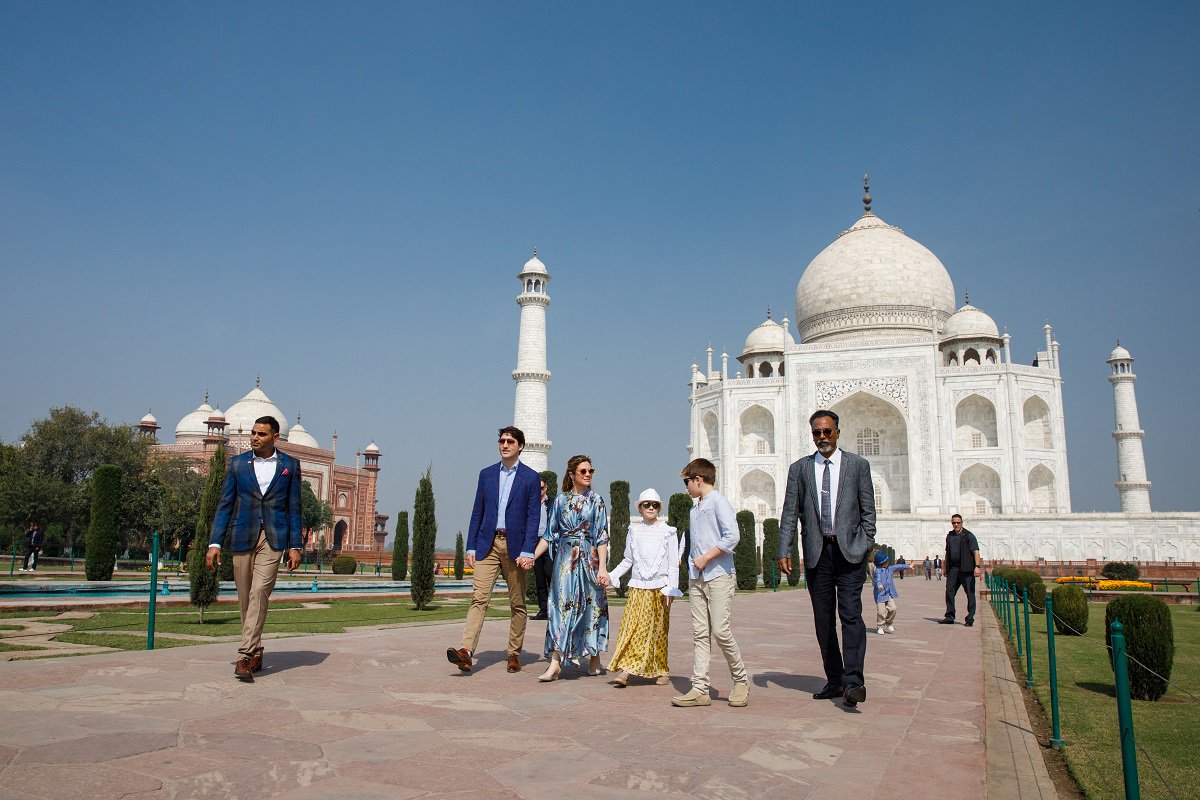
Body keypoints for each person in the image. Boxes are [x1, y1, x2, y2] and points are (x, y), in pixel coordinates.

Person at [777, 409, 876, 708]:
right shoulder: (801, 469)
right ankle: (835, 679)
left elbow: (868, 509)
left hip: (849, 552)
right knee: (823, 621)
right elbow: (790, 511)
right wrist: (784, 548)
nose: (822, 437)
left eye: (827, 432)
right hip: (818, 553)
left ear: (837, 432)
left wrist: (866, 542)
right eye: (817, 433)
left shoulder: (857, 465)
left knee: (850, 616)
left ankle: (854, 680)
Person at [206, 415, 303, 682]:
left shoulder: (290, 466)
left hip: (273, 538)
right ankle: (256, 649)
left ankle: (245, 655)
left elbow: (294, 508)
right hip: (242, 534)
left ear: (275, 437)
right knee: (246, 598)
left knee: (260, 592)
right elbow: (225, 505)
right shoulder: (237, 464)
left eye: (261, 434)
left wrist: (296, 545)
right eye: (253, 433)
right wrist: (215, 542)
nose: (255, 438)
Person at [447, 426, 542, 674]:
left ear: (520, 446)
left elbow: (533, 516)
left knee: (517, 603)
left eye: (510, 441)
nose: (505, 444)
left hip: (516, 547)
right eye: (502, 440)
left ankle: (513, 653)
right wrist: (470, 545)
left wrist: (528, 551)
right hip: (487, 544)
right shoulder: (486, 475)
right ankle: (466, 652)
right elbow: (477, 510)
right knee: (479, 598)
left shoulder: (531, 478)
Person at [672, 458, 750, 709]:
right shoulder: (695, 508)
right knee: (700, 634)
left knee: (720, 630)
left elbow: (733, 536)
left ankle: (740, 681)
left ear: (698, 479)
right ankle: (700, 688)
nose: (686, 487)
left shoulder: (718, 502)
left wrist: (706, 556)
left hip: (719, 575)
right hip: (697, 578)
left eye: (687, 481)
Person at [532, 454, 611, 681]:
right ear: (572, 474)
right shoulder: (559, 501)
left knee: (593, 606)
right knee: (560, 606)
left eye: (590, 471)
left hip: (589, 559)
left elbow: (601, 537)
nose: (588, 475)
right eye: (583, 471)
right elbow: (548, 536)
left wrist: (602, 568)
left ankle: (594, 657)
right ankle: (556, 662)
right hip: (565, 562)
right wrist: (531, 557)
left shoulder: (597, 501)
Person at [607, 488, 682, 688]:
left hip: (661, 588)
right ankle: (627, 670)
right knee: (634, 628)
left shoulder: (669, 532)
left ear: (659, 508)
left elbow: (673, 563)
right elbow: (628, 559)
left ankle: (661, 669)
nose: (651, 508)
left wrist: (672, 589)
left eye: (654, 505)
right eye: (646, 504)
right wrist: (612, 575)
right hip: (639, 588)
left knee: (658, 631)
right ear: (640, 508)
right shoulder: (634, 530)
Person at [940, 514, 982, 627]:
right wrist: (945, 568)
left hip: (967, 569)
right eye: (954, 523)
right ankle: (949, 616)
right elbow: (947, 553)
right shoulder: (950, 536)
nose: (956, 525)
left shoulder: (968, 535)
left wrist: (977, 566)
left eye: (958, 522)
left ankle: (970, 619)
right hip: (953, 568)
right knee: (949, 591)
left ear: (962, 523)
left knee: (970, 593)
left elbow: (976, 552)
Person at [872, 551, 910, 634]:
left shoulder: (889, 569)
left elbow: (898, 566)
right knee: (881, 612)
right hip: (880, 595)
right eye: (886, 561)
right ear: (882, 562)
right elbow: (877, 578)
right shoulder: (878, 571)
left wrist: (908, 566)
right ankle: (880, 626)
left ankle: (888, 623)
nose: (888, 563)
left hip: (888, 594)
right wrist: (879, 584)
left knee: (893, 609)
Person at [531, 477, 553, 621]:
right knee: (539, 578)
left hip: (549, 542)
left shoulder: (552, 503)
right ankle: (543, 609)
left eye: (542, 488)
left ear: (546, 488)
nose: (539, 490)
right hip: (535, 541)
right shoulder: (531, 504)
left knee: (550, 575)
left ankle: (555, 609)